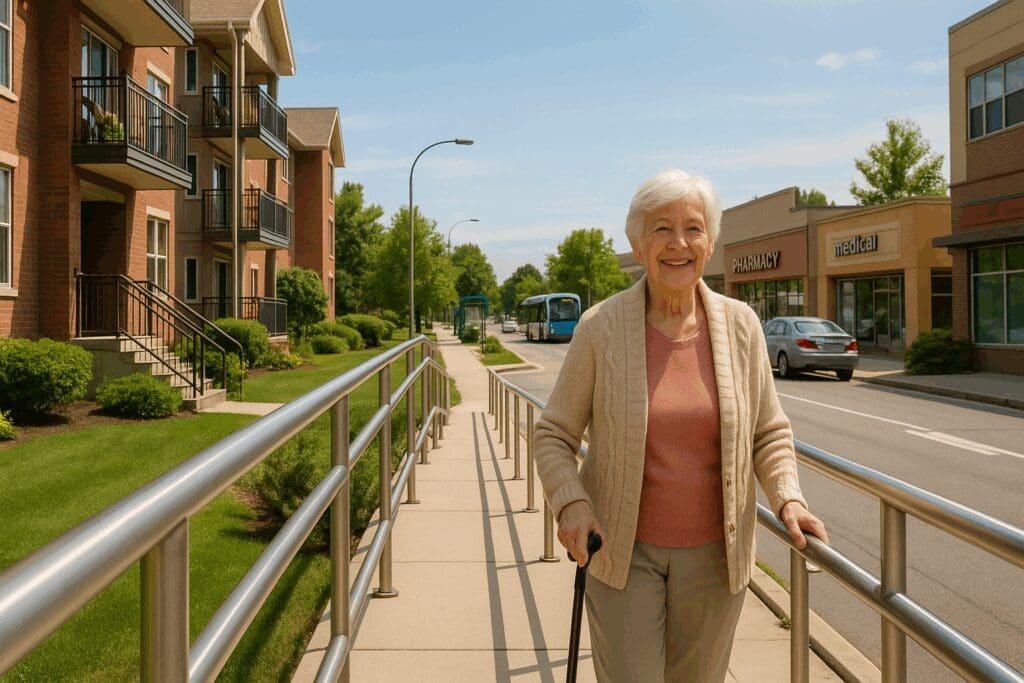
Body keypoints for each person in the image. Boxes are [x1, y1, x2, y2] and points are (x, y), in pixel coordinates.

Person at [533, 169, 829, 682]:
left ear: (710, 242)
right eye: (661, 228)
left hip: (716, 559)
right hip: (623, 553)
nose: (678, 243)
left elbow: (769, 431)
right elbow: (554, 433)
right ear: (637, 241)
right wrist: (572, 502)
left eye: (692, 228)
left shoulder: (740, 326)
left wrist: (789, 498)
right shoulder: (600, 328)